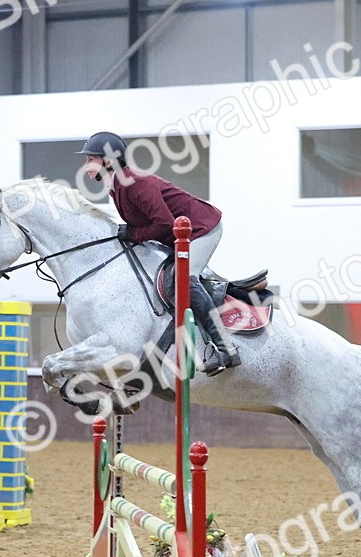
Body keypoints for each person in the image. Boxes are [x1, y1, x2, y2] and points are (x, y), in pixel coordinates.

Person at [77, 131, 240, 375]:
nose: (86, 166)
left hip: (201, 229)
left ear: (108, 161)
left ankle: (225, 347)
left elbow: (163, 223)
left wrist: (132, 234)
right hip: (179, 235)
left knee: (183, 280)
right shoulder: (118, 186)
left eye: (90, 159)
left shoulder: (134, 183)